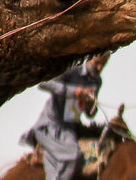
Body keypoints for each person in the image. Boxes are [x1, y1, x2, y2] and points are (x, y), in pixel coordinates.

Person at [20, 52, 110, 180]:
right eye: (97, 63)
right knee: (72, 157)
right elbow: (44, 83)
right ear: (89, 58)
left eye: (104, 65)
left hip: (72, 127)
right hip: (52, 125)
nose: (100, 68)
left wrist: (90, 103)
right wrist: (73, 91)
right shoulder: (72, 69)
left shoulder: (96, 81)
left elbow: (90, 114)